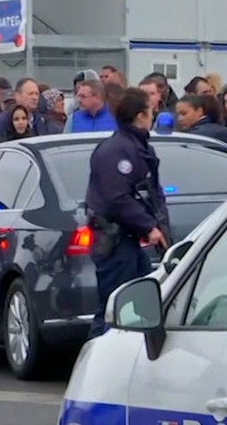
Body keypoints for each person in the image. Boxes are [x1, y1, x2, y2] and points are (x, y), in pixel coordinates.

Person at [85, 87, 169, 339]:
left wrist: (158, 225)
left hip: (130, 242)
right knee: (112, 309)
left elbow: (149, 193)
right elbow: (116, 198)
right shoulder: (117, 151)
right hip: (114, 241)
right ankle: (94, 364)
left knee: (148, 304)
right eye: (150, 110)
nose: (153, 115)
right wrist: (148, 226)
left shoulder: (137, 147)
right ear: (140, 116)